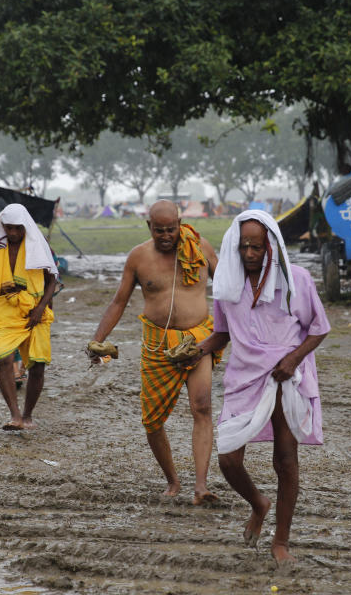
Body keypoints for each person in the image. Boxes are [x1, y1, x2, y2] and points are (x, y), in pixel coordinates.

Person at [192, 210, 330, 565]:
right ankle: (258, 504)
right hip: (244, 376)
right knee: (228, 459)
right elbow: (222, 333)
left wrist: (293, 359)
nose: (250, 254)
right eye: (243, 248)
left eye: (257, 247)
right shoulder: (227, 287)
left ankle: (281, 541)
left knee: (285, 460)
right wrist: (197, 350)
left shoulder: (296, 280)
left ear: (272, 246)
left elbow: (319, 328)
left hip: (286, 378)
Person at [89, 200, 221, 504]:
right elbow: (119, 301)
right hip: (157, 344)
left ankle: (201, 486)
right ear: (149, 226)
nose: (166, 236)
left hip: (198, 340)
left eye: (171, 229)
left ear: (179, 224)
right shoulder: (138, 257)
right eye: (159, 230)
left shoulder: (199, 246)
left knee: (201, 407)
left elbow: (229, 286)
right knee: (153, 421)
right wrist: (98, 340)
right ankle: (173, 480)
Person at [0, 204, 57, 430]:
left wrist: (41, 309)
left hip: (34, 308)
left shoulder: (38, 246)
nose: (14, 233)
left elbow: (52, 280)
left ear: (25, 226)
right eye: (9, 228)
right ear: (2, 226)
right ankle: (14, 415)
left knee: (37, 365)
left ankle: (27, 416)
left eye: (18, 228)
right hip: (6, 306)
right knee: (3, 359)